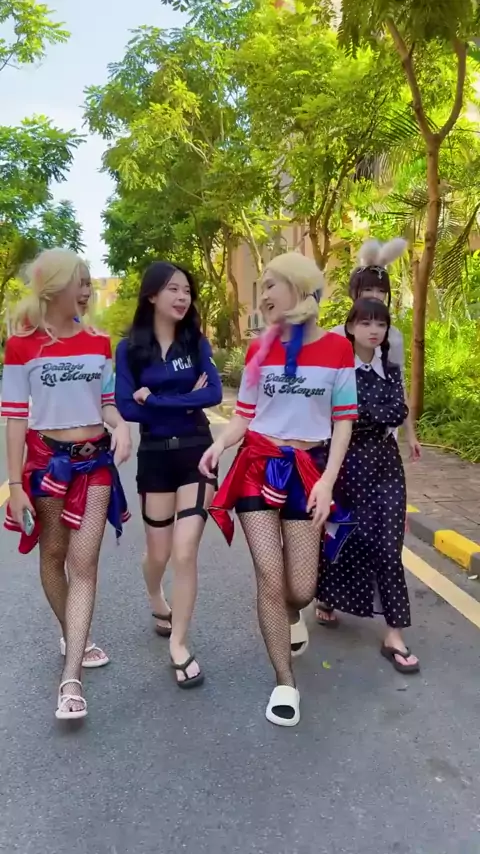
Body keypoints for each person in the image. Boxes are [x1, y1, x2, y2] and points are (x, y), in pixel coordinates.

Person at [199, 252, 358, 728]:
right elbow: (244, 416)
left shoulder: (338, 349)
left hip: (308, 471)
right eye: (263, 285)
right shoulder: (258, 349)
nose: (264, 295)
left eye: (271, 284)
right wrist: (220, 444)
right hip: (258, 467)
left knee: (301, 588)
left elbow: (343, 422)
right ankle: (285, 682)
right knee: (269, 577)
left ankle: (291, 614)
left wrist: (327, 481)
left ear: (298, 287)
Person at [2, 248, 132, 720]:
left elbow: (106, 402)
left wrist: (120, 425)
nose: (87, 290)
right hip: (46, 465)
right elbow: (16, 418)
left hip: (95, 465)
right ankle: (72, 630)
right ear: (55, 286)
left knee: (84, 564)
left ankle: (71, 677)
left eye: (89, 282)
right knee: (53, 555)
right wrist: (15, 484)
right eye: (80, 281)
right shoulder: (22, 346)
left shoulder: (99, 342)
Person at [115, 261, 222, 689]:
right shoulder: (129, 349)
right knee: (158, 555)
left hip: (197, 453)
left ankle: (179, 643)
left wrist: (156, 400)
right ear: (152, 295)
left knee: (184, 551)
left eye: (187, 290)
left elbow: (213, 393)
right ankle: (155, 594)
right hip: (156, 458)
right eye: (173, 289)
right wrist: (183, 399)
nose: (182, 297)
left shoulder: (195, 342)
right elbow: (126, 405)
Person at [317, 298, 419, 673]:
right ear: (350, 327)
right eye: (365, 323)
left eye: (380, 324)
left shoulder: (388, 366)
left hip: (387, 466)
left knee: (390, 547)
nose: (374, 330)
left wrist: (362, 413)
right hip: (346, 463)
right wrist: (370, 414)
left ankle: (394, 633)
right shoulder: (339, 367)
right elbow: (336, 415)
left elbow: (398, 411)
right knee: (346, 536)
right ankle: (328, 596)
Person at [331, 238, 421, 460]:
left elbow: (398, 384)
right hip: (342, 429)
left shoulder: (393, 336)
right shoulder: (336, 335)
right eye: (367, 289)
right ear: (354, 292)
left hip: (382, 432)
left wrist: (411, 435)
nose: (374, 295)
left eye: (381, 290)